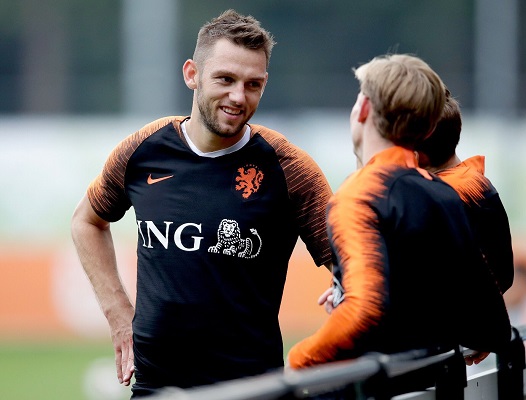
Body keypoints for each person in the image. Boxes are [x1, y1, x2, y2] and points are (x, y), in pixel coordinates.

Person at [71, 9, 333, 397]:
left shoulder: (288, 167)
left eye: (253, 84)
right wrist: (118, 314)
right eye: (225, 79)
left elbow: (354, 263)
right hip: (155, 388)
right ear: (192, 74)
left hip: (252, 390)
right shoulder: (144, 150)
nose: (238, 97)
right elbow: (86, 222)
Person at [286, 54, 511, 391]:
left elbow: (364, 312)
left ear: (363, 109)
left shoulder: (361, 194)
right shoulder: (444, 193)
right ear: (429, 128)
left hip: (374, 387)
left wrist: (296, 364)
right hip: (440, 384)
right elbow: (490, 324)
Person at [415, 88, 515, 367]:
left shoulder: (443, 196)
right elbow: (502, 273)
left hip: (432, 349)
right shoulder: (476, 183)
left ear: (419, 153)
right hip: (457, 342)